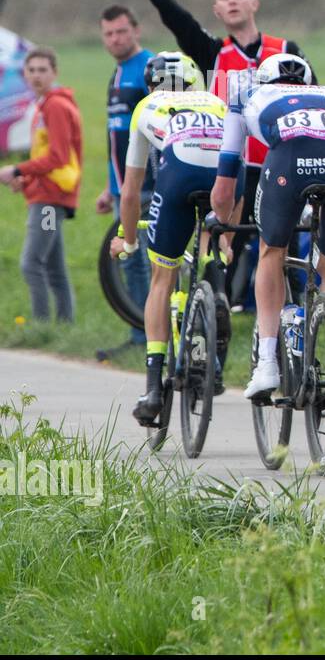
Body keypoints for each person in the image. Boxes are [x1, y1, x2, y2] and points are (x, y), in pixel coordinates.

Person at [115, 0, 308, 311]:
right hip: (228, 167)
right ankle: (212, 319)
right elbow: (173, 15)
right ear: (217, 11)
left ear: (254, 3)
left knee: (278, 250)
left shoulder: (286, 52)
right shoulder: (211, 54)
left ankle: (287, 329)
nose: (232, 0)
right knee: (218, 250)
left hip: (277, 163)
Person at [210, 54, 325, 404]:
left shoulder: (244, 94)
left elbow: (226, 176)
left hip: (290, 164)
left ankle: (266, 363)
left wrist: (222, 220)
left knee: (272, 252)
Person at [108, 53, 236, 422]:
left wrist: (129, 240)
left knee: (162, 276)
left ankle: (152, 387)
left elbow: (130, 192)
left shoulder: (148, 106)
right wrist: (226, 232)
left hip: (181, 169)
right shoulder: (216, 101)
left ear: (151, 86)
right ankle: (217, 287)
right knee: (212, 238)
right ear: (196, 82)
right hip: (228, 173)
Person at [1, 47, 83, 324]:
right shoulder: (45, 105)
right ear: (24, 74)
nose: (36, 75)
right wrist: (25, 180)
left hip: (49, 203)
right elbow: (47, 158)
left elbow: (58, 156)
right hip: (46, 195)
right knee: (53, 266)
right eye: (31, 70)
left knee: (32, 263)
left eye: (42, 70)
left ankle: (41, 326)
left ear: (54, 73)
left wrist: (17, 168)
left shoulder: (55, 106)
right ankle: (64, 326)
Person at [96, 4, 154, 349]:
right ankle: (140, 331)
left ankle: (153, 334)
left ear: (136, 30)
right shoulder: (116, 74)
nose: (115, 39)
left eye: (121, 31)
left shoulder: (151, 67)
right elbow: (115, 137)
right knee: (130, 260)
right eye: (108, 34)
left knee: (147, 259)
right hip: (123, 188)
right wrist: (109, 186)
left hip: (148, 188)